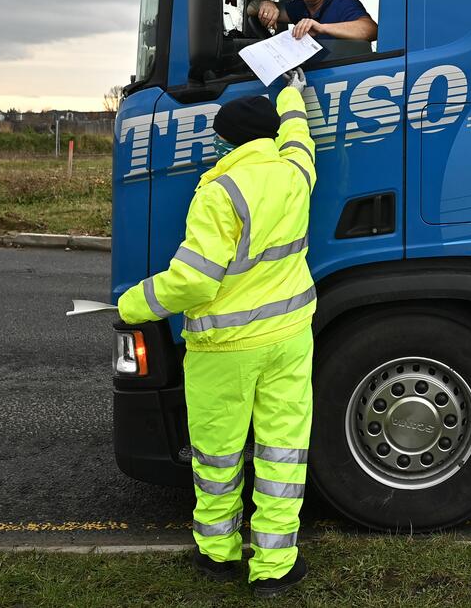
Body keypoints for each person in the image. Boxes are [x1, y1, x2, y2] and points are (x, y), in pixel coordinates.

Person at [116, 68, 317, 596]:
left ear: (225, 138)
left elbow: (194, 280)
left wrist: (135, 303)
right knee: (282, 451)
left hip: (224, 348)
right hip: (291, 338)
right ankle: (275, 568)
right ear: (270, 134)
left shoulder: (219, 190)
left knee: (219, 454)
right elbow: (299, 134)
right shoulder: (296, 171)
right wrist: (294, 92)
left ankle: (218, 553)